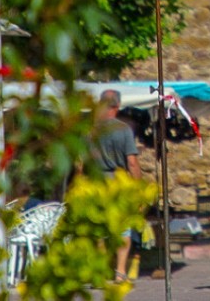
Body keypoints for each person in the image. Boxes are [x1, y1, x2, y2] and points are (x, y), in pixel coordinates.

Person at [92, 89, 143, 283]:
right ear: (117, 106)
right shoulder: (123, 129)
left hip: (96, 183)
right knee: (123, 230)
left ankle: (100, 272)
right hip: (118, 183)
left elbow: (80, 164)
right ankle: (120, 272)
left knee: (100, 231)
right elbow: (132, 162)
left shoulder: (90, 130)